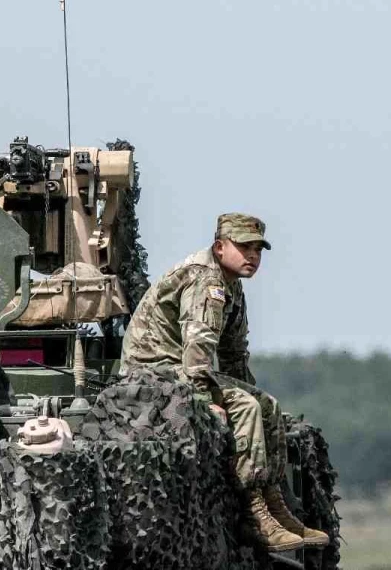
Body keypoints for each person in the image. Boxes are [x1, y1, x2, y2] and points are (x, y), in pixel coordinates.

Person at [120, 213, 329, 554]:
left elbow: (234, 353)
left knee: (266, 405)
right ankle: (253, 514)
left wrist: (252, 395)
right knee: (244, 408)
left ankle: (275, 506)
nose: (253, 256)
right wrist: (205, 399)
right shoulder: (206, 280)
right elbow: (198, 347)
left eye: (258, 249)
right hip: (152, 369)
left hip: (181, 367)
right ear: (220, 247)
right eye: (244, 247)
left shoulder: (231, 284)